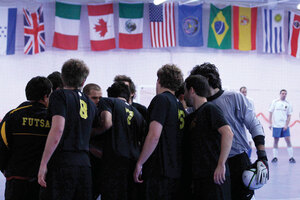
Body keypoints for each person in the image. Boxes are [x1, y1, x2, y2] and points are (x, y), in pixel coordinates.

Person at [190, 63, 268, 200]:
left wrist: (262, 156)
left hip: (237, 161)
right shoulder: (196, 105)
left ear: (207, 79)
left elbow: (254, 124)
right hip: (213, 165)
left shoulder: (234, 97)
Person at [38, 59, 98, 200]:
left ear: (62, 77)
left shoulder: (60, 96)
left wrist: (43, 163)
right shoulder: (90, 103)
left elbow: (58, 129)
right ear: (83, 82)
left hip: (63, 163)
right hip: (84, 165)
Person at [133, 64, 185, 200]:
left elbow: (154, 135)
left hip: (159, 170)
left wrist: (140, 163)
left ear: (159, 81)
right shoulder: (179, 105)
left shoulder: (161, 100)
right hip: (175, 170)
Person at [0, 76, 52, 200]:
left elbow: (2, 145)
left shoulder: (12, 115)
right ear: (45, 96)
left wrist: (6, 170)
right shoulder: (52, 119)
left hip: (16, 181)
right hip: (43, 181)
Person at [184, 75, 233, 200]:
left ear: (192, 90)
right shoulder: (191, 116)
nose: (184, 95)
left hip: (215, 176)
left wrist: (221, 164)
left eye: (185, 91)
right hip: (201, 177)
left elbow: (228, 133)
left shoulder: (209, 109)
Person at [96, 81, 146, 200]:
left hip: (114, 163)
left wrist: (91, 133)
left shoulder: (108, 101)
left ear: (110, 95)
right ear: (129, 96)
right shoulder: (138, 114)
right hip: (133, 163)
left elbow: (107, 123)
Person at [82, 83, 103, 200]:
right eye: (94, 98)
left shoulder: (101, 114)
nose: (98, 101)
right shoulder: (80, 115)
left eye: (100, 98)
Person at [269, 89, 296, 163]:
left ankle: (291, 157)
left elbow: (289, 116)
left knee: (288, 140)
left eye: (285, 94)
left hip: (284, 125)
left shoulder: (288, 103)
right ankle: (275, 157)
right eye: (282, 93)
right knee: (275, 141)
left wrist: (286, 125)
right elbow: (270, 113)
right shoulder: (275, 102)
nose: (284, 95)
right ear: (280, 94)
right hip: (276, 125)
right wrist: (270, 123)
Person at [240, 86, 255, 159]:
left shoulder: (250, 100)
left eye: (245, 92)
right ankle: (243, 158)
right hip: (240, 124)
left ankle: (248, 157)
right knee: (241, 141)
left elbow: (253, 112)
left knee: (249, 141)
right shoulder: (237, 100)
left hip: (248, 123)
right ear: (240, 92)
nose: (244, 93)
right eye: (243, 92)